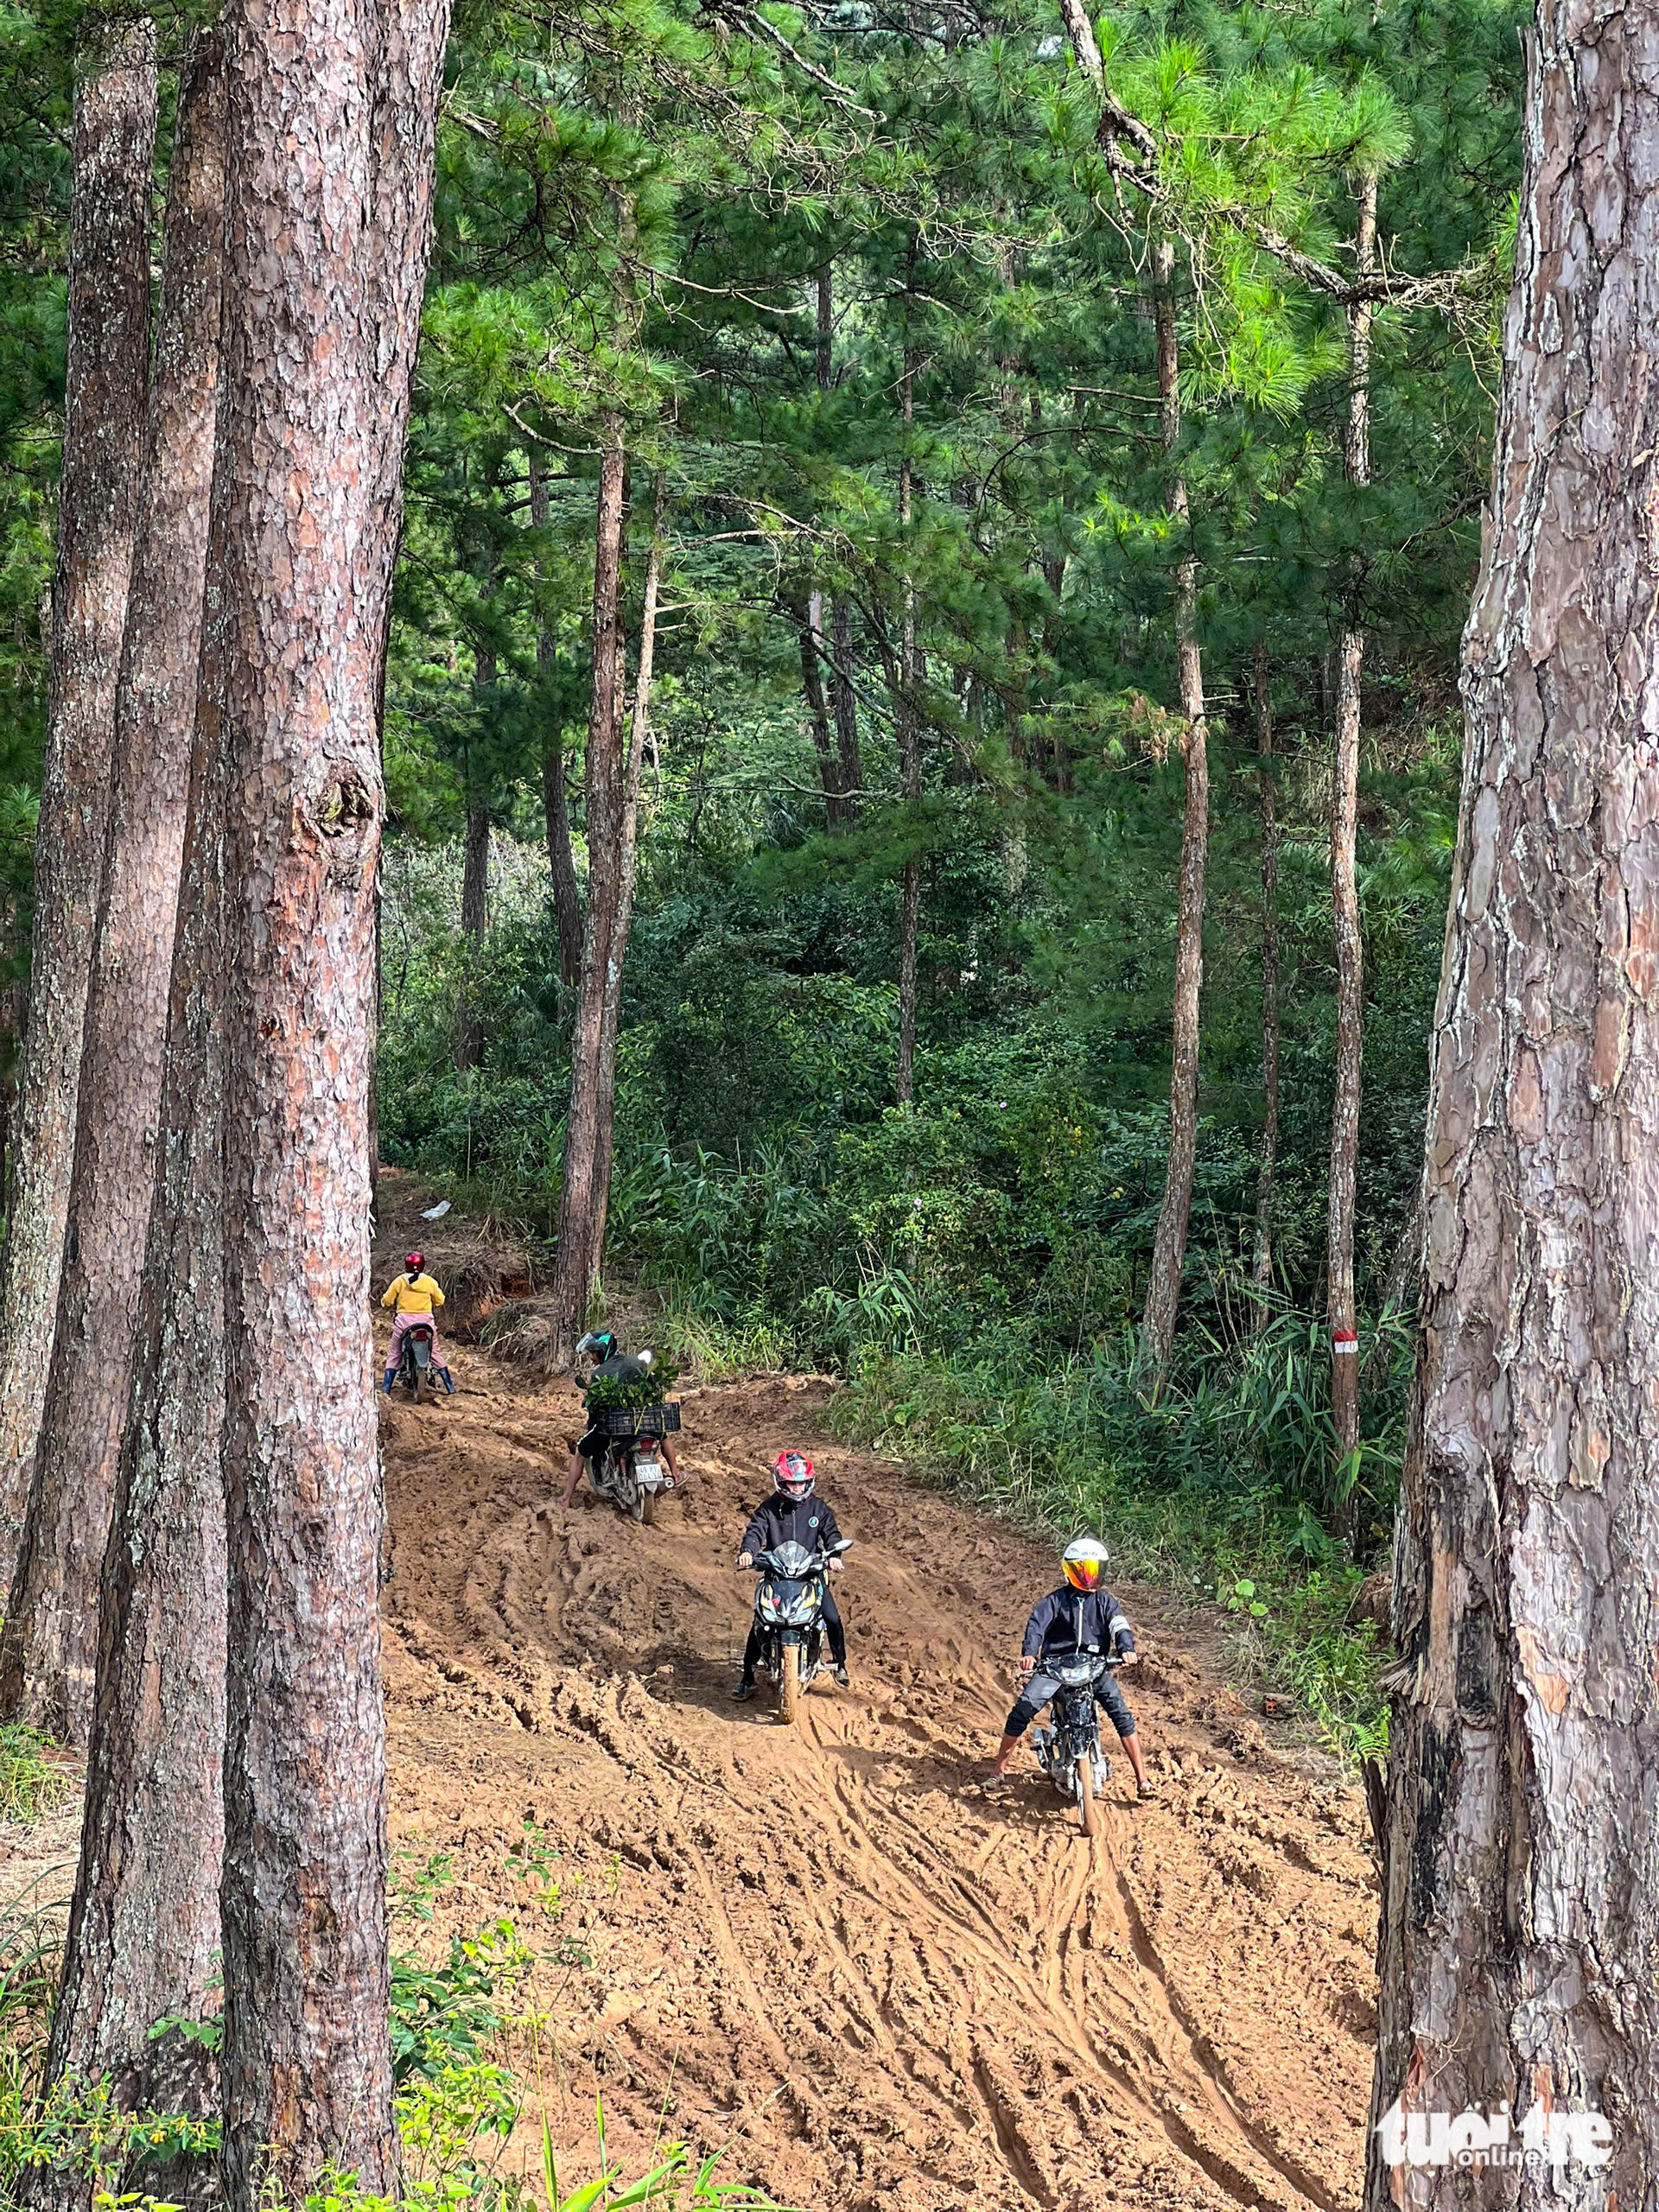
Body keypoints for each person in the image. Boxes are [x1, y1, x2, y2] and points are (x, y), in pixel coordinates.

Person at [988, 1537, 1151, 1796]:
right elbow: (1036, 1627)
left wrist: (1126, 1649)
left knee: (1122, 1715)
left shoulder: (1106, 1603)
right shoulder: (1054, 1602)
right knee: (1023, 1709)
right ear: (1069, 1571)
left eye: (1094, 1570)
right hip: (1055, 1667)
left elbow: (1119, 1626)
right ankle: (998, 1771)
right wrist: (1030, 1654)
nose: (1089, 1578)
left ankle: (1142, 1780)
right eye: (1083, 1570)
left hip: (1094, 1667)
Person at [733, 1449, 848, 1699]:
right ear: (781, 1483)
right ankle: (747, 1677)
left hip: (810, 1576)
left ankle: (840, 1664)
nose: (797, 1488)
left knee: (833, 1618)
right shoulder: (768, 1509)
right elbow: (755, 1532)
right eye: (792, 1484)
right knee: (760, 1625)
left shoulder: (819, 1508)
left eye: (801, 1483)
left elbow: (832, 1535)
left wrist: (834, 1556)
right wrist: (748, 1552)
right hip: (776, 1576)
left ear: (809, 1482)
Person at [560, 1329, 682, 1507]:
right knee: (662, 1434)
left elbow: (596, 1410)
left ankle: (566, 1497)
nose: (591, 1357)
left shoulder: (599, 1375)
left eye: (593, 1352)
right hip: (642, 1421)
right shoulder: (636, 1361)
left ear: (603, 1351)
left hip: (615, 1427)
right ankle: (676, 1473)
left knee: (580, 1452)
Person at [380, 1252, 454, 1394]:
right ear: (423, 1265)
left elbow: (388, 1300)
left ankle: (385, 1389)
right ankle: (450, 1387)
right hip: (426, 1322)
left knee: (395, 1353)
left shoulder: (400, 1281)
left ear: (406, 1265)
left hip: (404, 1322)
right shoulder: (429, 1281)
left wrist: (384, 1302)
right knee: (435, 1352)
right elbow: (440, 1300)